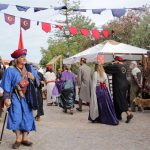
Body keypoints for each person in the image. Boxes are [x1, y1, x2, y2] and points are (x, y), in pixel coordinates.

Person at [1, 49, 36, 149]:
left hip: (27, 97)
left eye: (25, 56)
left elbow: (38, 80)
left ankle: (25, 138)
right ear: (16, 59)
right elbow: (6, 84)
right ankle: (18, 139)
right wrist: (7, 98)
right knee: (16, 117)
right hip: (15, 97)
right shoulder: (10, 70)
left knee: (27, 117)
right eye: (21, 57)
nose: (24, 58)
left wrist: (33, 78)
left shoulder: (29, 68)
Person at [104, 56, 133, 123]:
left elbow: (106, 68)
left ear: (116, 60)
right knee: (117, 100)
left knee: (121, 99)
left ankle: (128, 113)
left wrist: (111, 63)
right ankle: (118, 116)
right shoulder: (124, 66)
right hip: (125, 84)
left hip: (118, 85)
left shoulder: (116, 66)